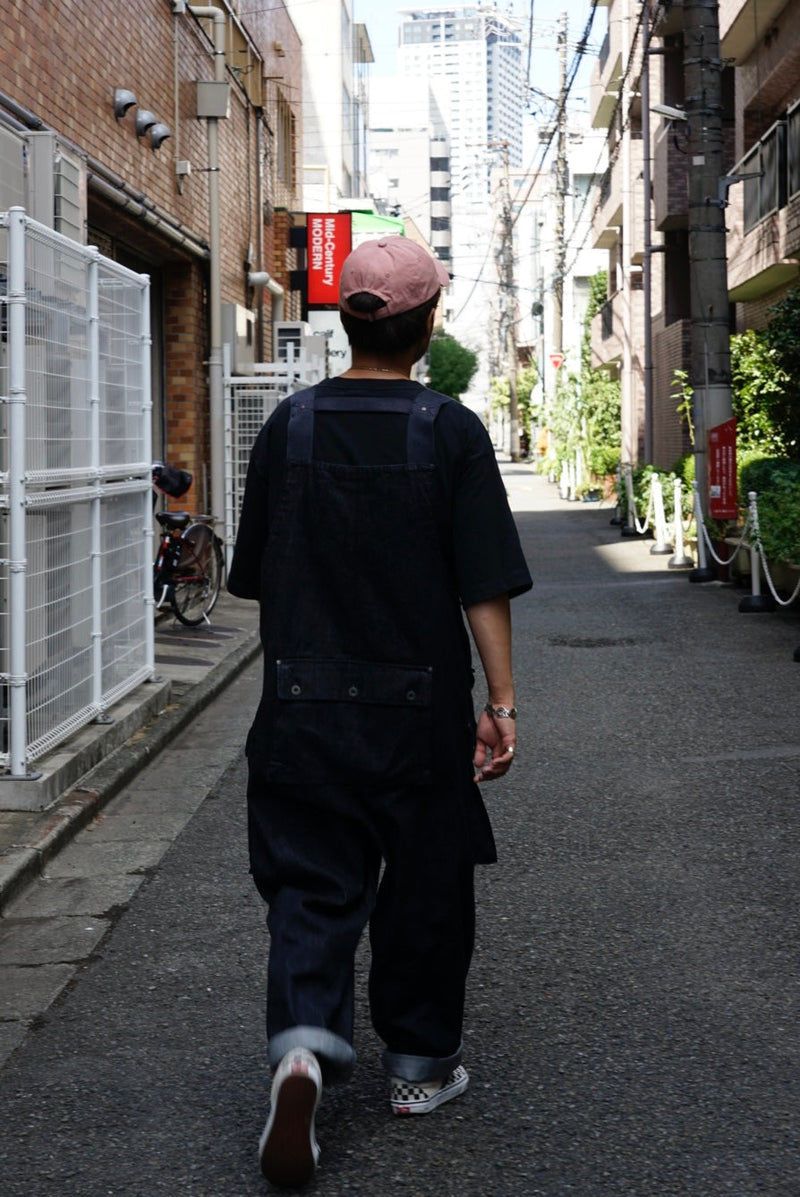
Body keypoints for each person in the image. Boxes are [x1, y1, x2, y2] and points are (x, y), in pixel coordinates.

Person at [228, 235, 532, 1189]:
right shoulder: (450, 430)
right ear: (428, 324)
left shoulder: (290, 426)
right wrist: (503, 701)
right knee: (427, 880)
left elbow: (256, 580)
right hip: (419, 704)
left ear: (347, 317)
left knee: (312, 885)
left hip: (304, 703)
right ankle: (416, 1068)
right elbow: (484, 583)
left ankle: (304, 1052)